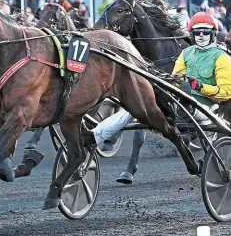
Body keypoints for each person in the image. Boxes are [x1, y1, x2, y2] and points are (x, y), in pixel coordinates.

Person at [82, 13, 231, 152]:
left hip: (206, 108)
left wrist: (200, 87)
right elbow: (176, 79)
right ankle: (94, 136)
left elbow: (225, 93)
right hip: (180, 102)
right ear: (192, 34)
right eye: (197, 32)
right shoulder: (186, 54)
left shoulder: (222, 58)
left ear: (213, 34)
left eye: (205, 32)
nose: (201, 36)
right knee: (135, 106)